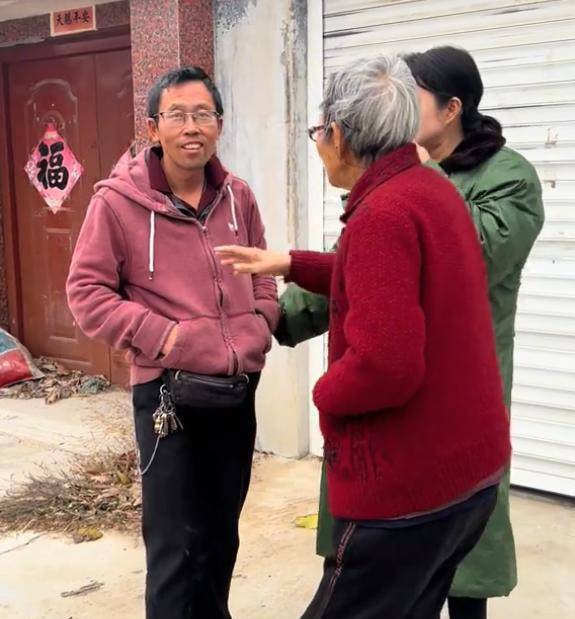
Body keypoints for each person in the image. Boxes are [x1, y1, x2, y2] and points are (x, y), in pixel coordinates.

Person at [215, 54, 511, 619]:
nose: (319, 145)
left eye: (318, 132)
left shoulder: (382, 214)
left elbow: (386, 365)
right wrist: (290, 263)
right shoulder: (428, 188)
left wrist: (324, 396)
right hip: (469, 481)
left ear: (341, 135)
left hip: (411, 495)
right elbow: (393, 278)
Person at [66, 66, 279, 619]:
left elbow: (261, 270)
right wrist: (168, 338)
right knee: (175, 547)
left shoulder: (237, 196)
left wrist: (260, 321)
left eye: (203, 114)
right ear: (153, 127)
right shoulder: (117, 203)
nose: (191, 127)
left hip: (236, 388)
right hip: (168, 396)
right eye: (177, 115)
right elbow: (87, 293)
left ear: (219, 124)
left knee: (220, 534)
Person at [404, 45, 545, 619]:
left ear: (451, 108)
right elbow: (354, 261)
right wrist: (278, 315)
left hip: (467, 384)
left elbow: (475, 257)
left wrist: (423, 176)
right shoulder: (394, 171)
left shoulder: (508, 175)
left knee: (467, 532)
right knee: (400, 547)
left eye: (410, 97)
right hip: (399, 376)